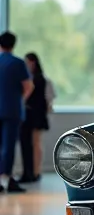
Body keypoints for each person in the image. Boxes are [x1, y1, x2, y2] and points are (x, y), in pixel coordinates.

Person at [0, 32, 32, 193]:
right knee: (8, 146)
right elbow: (28, 87)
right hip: (12, 109)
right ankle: (6, 178)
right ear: (13, 44)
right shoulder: (17, 63)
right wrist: (21, 99)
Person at [19, 52, 54, 183]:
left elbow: (49, 99)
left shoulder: (38, 79)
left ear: (33, 62)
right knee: (32, 143)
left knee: (35, 143)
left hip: (35, 114)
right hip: (33, 114)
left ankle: (35, 171)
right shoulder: (36, 78)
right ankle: (31, 171)